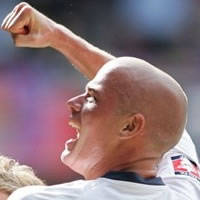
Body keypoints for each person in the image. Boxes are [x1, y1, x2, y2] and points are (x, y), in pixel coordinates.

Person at [1, 2, 200, 200]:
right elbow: (154, 106)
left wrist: (58, 36)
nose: (73, 103)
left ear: (130, 126)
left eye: (92, 99)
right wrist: (56, 35)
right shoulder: (184, 191)